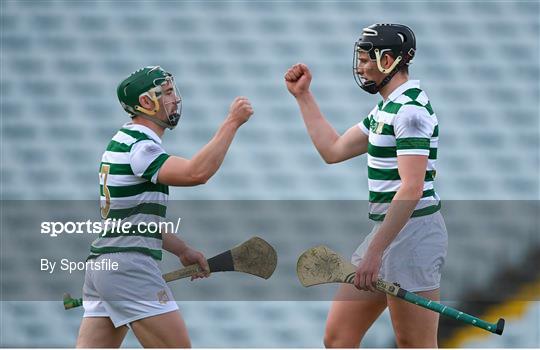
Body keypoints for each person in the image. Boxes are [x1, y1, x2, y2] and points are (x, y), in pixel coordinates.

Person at [285, 24, 447, 347]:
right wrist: (303, 96)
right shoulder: (385, 109)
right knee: (338, 336)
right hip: (387, 232)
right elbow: (333, 149)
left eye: (365, 58)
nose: (359, 66)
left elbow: (411, 188)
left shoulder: (410, 111)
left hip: (413, 236)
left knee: (415, 345)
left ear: (388, 60)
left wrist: (375, 252)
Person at [76, 66, 254, 347]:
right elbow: (196, 173)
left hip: (103, 266)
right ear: (146, 103)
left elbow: (134, 221)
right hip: (128, 267)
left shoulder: (122, 140)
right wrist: (231, 123)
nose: (175, 99)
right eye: (167, 92)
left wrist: (182, 250)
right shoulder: (140, 146)